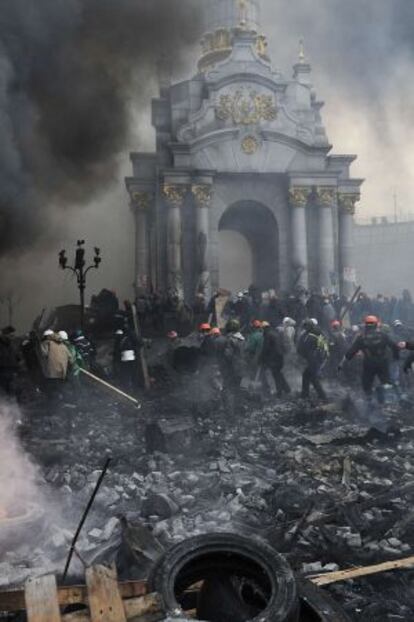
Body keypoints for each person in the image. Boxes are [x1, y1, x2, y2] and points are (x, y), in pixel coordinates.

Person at [341, 315, 399, 401]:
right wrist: (395, 357)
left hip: (369, 364)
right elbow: (394, 346)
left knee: (366, 384)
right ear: (376, 324)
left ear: (366, 325)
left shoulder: (361, 337)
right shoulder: (383, 335)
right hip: (383, 362)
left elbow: (351, 351)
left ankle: (370, 401)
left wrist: (345, 361)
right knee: (386, 382)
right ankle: (386, 398)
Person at [297, 319, 329, 400]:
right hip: (317, 359)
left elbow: (302, 349)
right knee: (308, 376)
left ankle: (322, 397)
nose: (304, 328)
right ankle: (306, 395)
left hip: (313, 359)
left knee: (312, 378)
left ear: (308, 326)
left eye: (305, 326)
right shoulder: (318, 333)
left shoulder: (309, 336)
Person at [40, 330, 73, 404]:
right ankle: (63, 404)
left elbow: (43, 354)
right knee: (60, 390)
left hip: (51, 373)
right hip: (62, 373)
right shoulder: (63, 345)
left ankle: (53, 407)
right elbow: (71, 359)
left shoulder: (46, 343)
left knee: (51, 393)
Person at [260, 322, 291, 397]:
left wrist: (261, 357)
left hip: (274, 358)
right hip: (280, 357)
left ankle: (279, 393)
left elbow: (266, 348)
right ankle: (287, 389)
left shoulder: (268, 335)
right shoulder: (275, 333)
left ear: (264, 328)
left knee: (276, 375)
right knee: (278, 373)